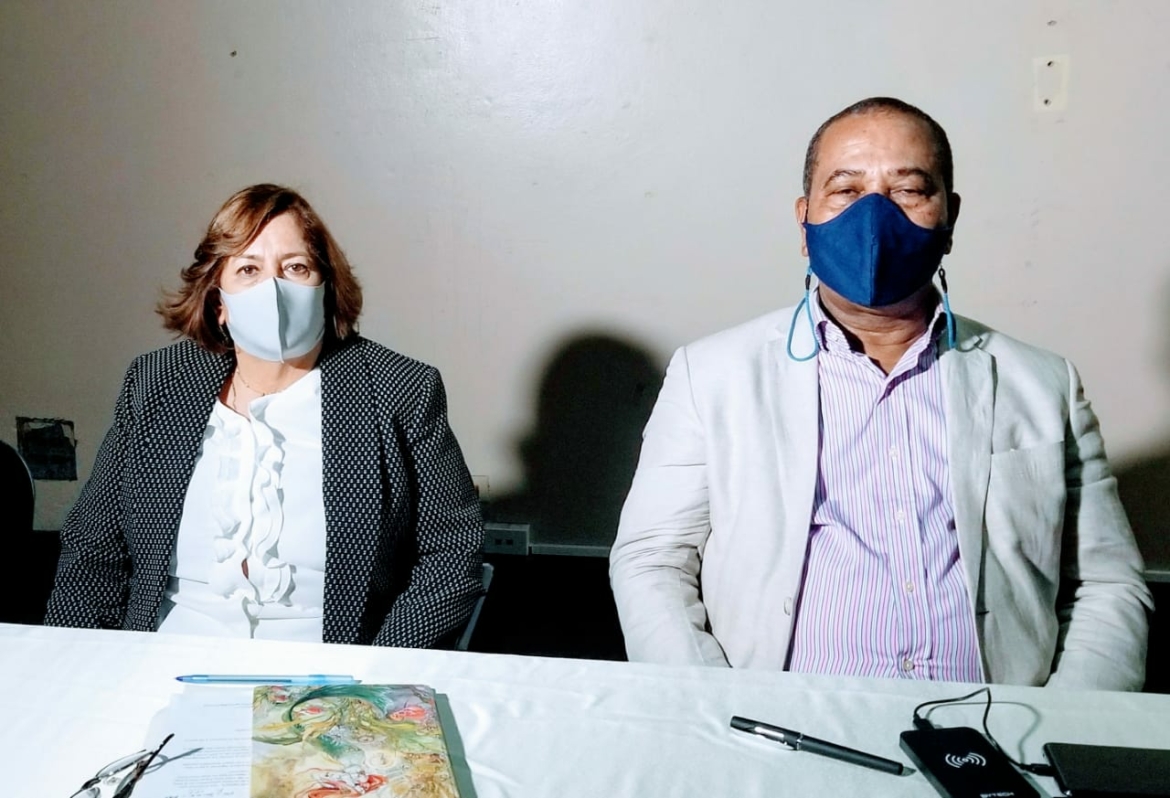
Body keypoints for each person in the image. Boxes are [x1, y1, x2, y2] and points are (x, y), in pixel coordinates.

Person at [609, 98, 1152, 689]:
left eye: (909, 190)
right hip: (778, 722)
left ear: (950, 218)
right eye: (845, 190)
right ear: (804, 220)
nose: (874, 216)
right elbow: (652, 561)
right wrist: (716, 706)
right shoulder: (712, 374)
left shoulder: (1043, 383)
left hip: (997, 724)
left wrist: (1066, 723)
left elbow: (1107, 583)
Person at [45, 184, 484, 647]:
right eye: (249, 269)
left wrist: (375, 673)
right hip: (165, 656)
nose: (273, 289)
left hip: (331, 669)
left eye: (296, 267)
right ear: (218, 302)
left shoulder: (398, 388)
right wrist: (76, 662)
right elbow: (92, 545)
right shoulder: (158, 382)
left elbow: (452, 556)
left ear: (325, 288)